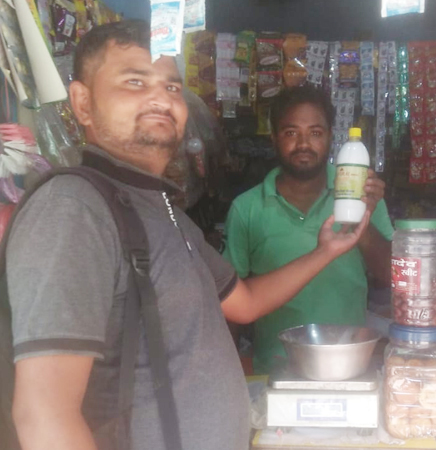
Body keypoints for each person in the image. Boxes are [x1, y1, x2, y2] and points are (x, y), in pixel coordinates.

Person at [7, 21, 370, 450]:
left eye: (172, 87)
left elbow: (246, 303)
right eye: (135, 81)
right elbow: (44, 415)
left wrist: (327, 251)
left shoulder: (163, 211)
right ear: (82, 103)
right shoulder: (74, 208)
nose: (161, 98)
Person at [223, 86, 394, 374]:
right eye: (291, 132)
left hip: (349, 365)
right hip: (275, 369)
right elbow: (230, 302)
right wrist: (227, 370)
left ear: (330, 137)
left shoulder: (362, 195)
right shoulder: (247, 208)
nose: (303, 144)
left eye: (315, 132)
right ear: (274, 138)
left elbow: (391, 275)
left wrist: (360, 221)